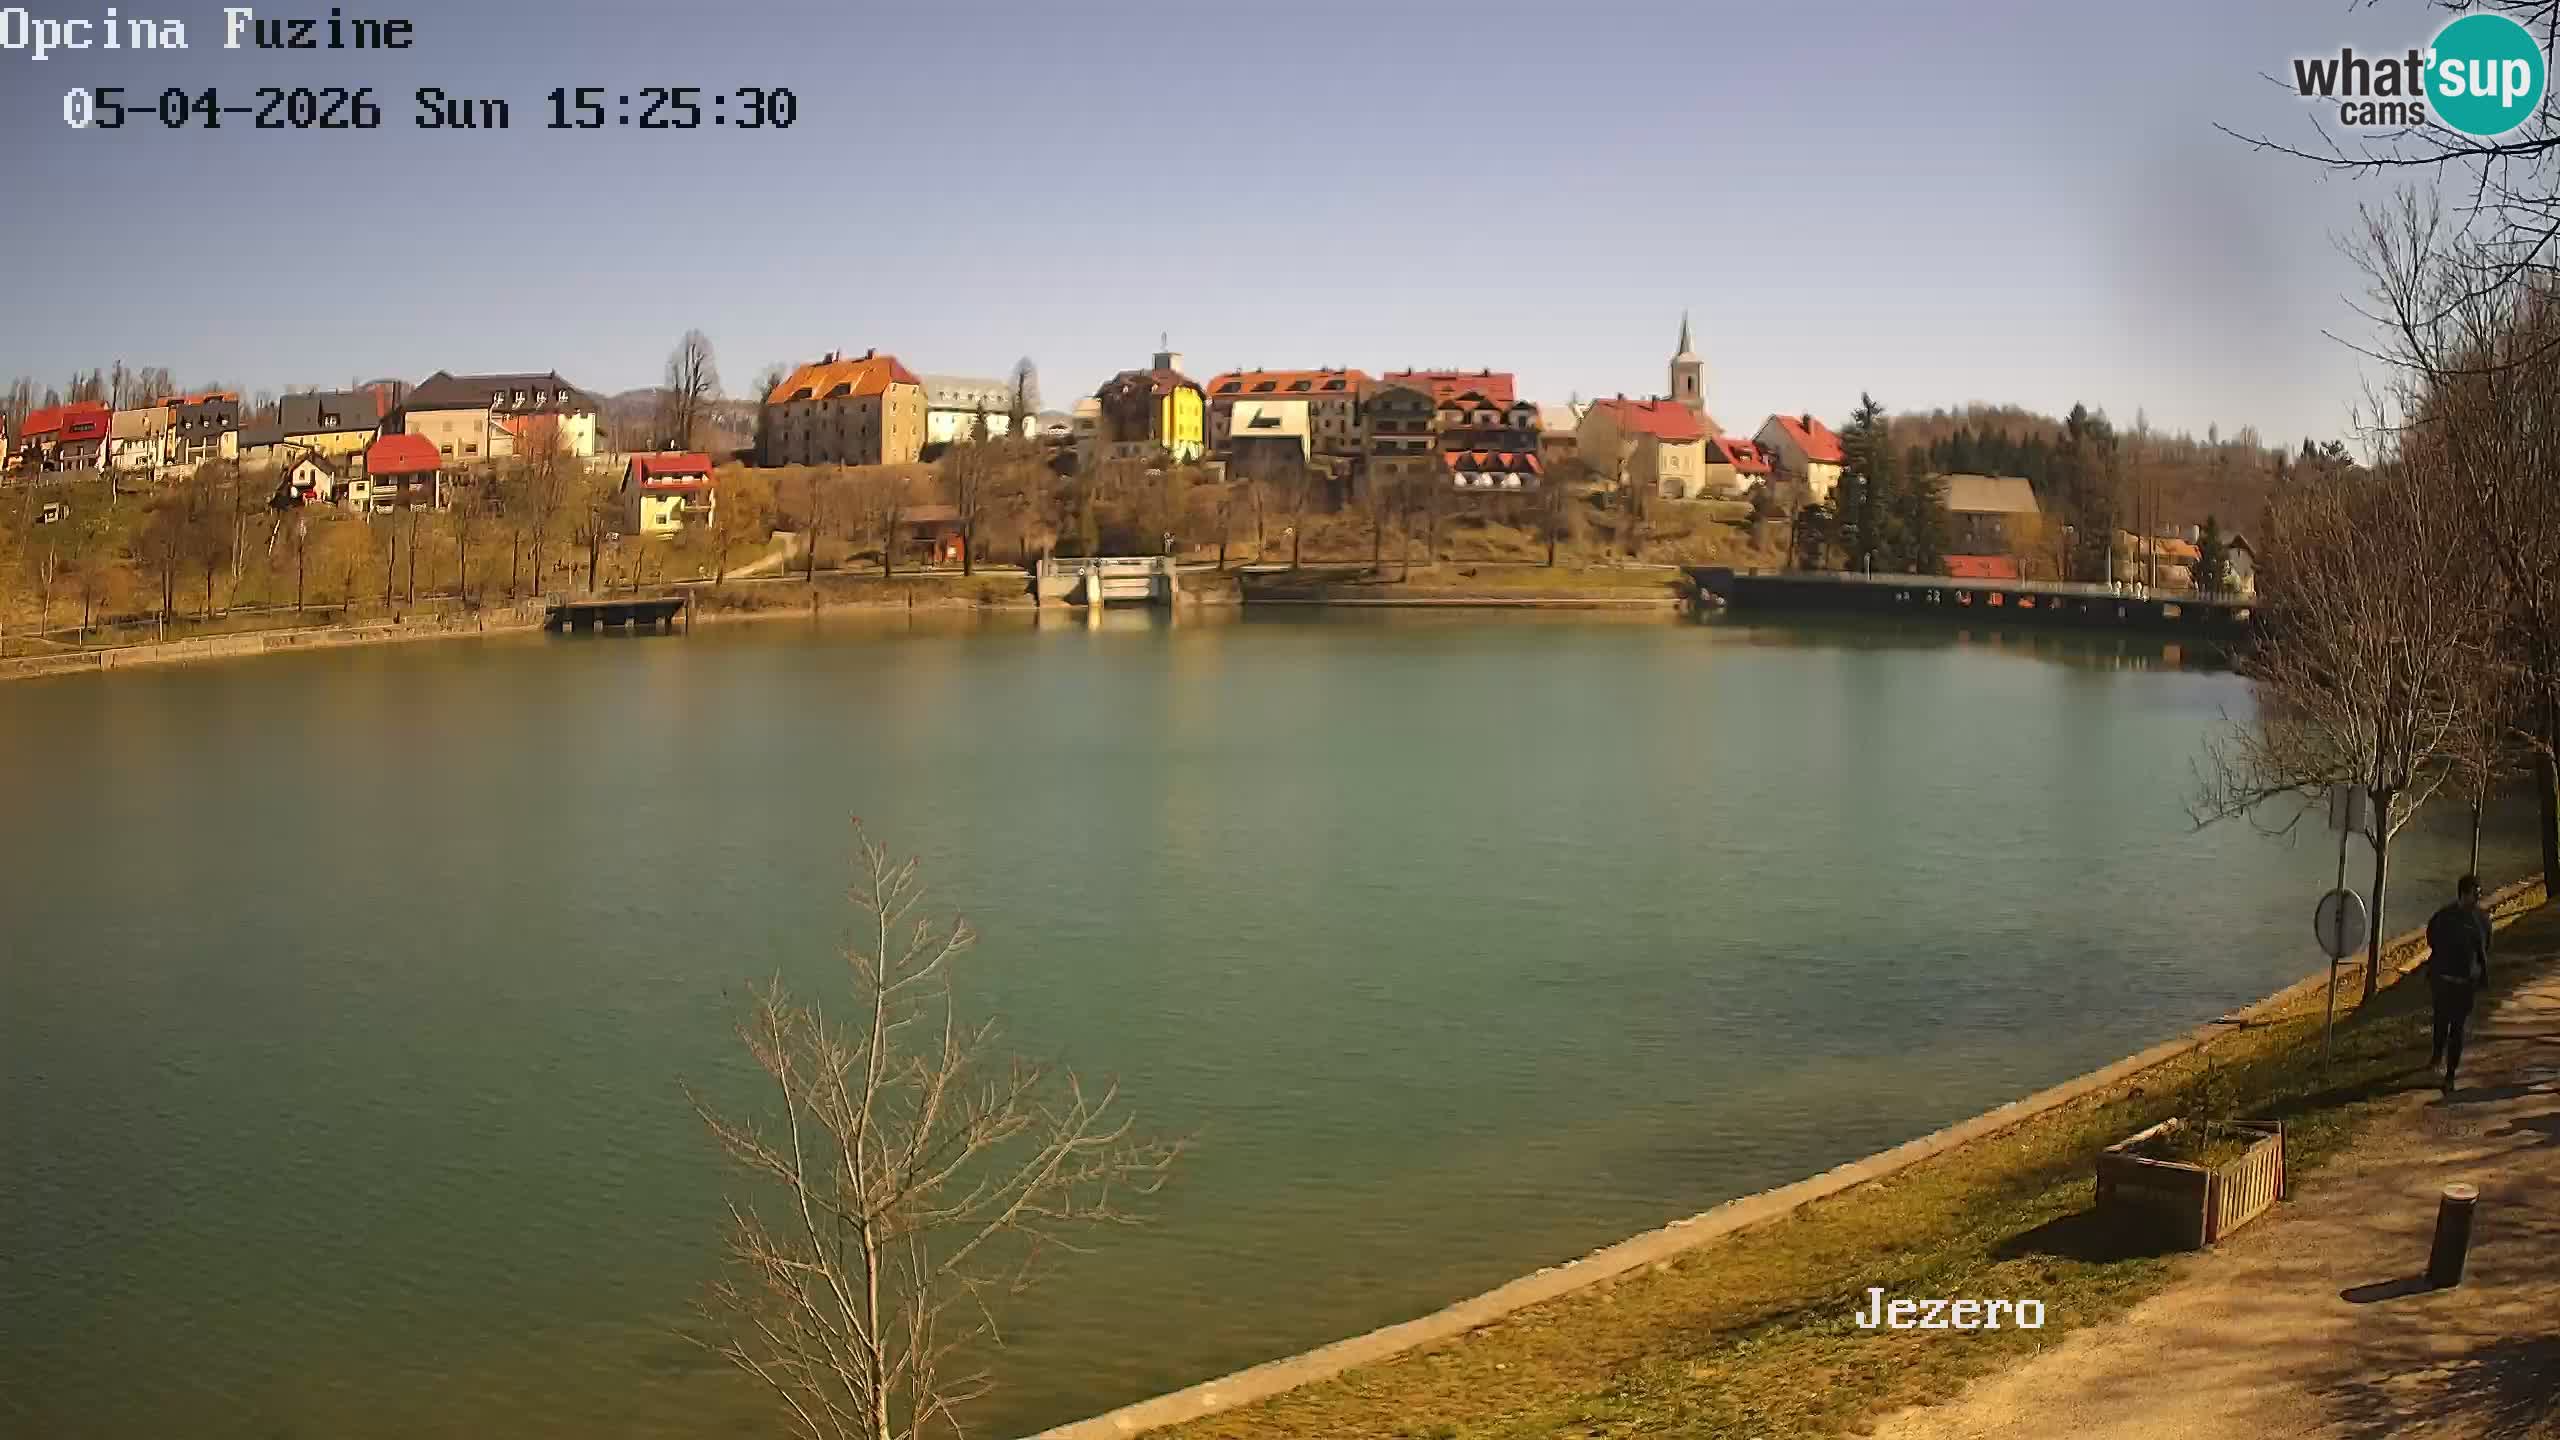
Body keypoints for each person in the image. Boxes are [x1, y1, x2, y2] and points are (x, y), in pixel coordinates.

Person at [2424, 874, 2492, 1094]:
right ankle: (2436, 1054)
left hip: (2465, 984)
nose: (2478, 897)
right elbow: (2431, 937)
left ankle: (2450, 1074)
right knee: (2441, 1023)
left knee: (2458, 1028)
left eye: (2480, 893)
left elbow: (2486, 946)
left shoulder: (2482, 920)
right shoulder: (2444, 917)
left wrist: (2477, 971)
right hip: (2443, 981)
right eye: (2475, 893)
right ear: (2464, 894)